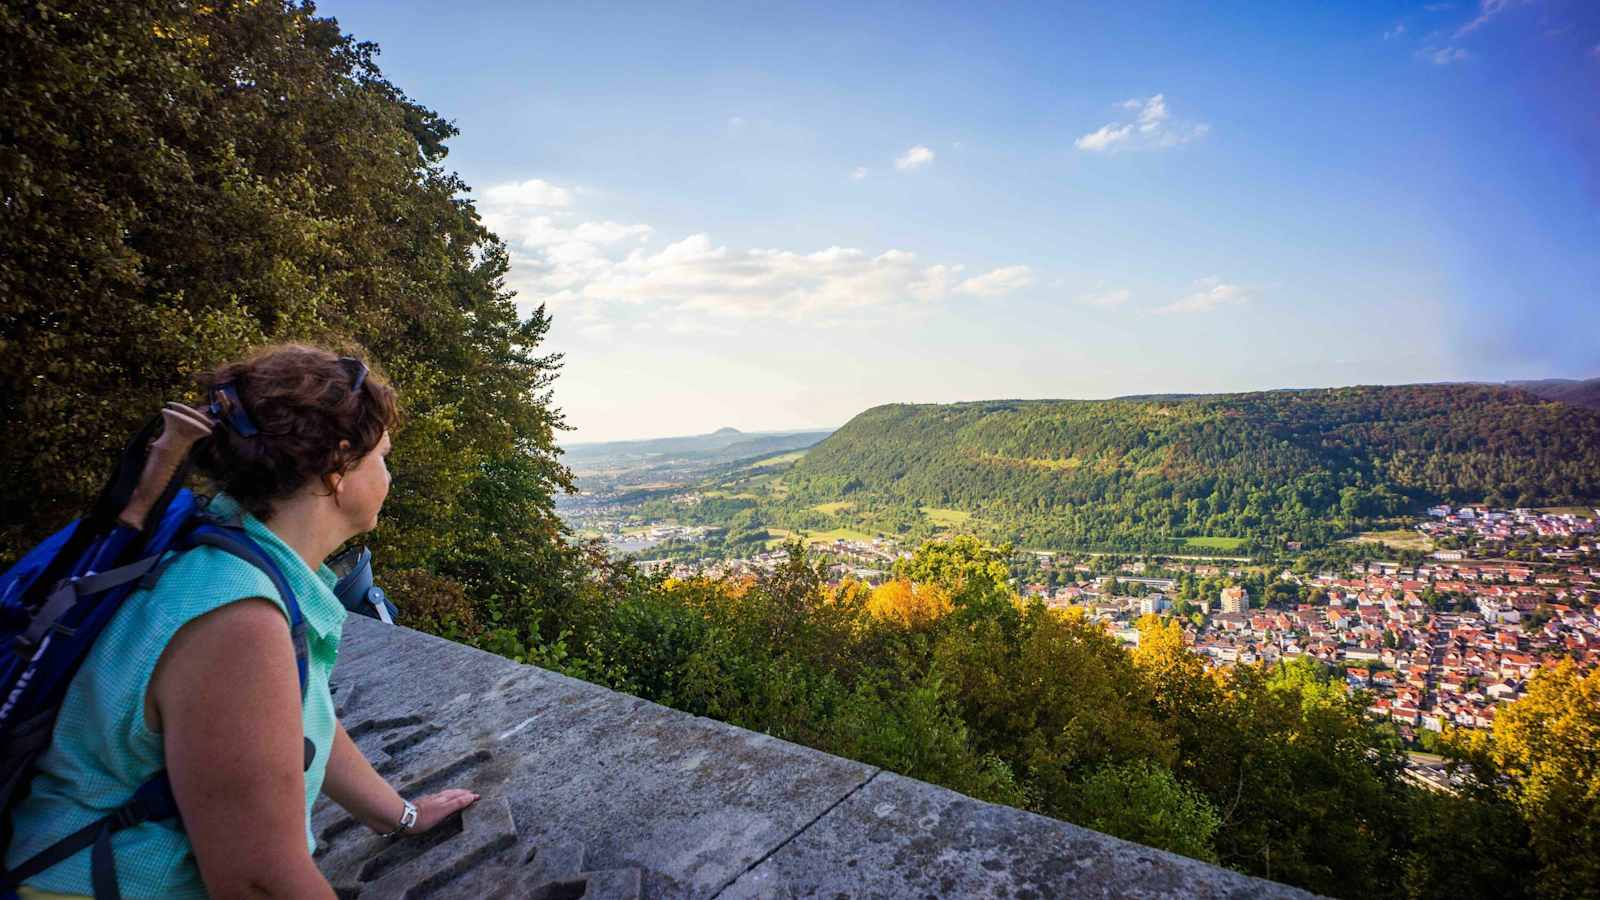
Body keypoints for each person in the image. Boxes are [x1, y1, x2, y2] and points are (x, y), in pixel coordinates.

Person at [5, 344, 479, 899]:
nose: (389, 475)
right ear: (337, 472)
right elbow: (259, 883)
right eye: (382, 457)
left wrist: (398, 815)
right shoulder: (237, 619)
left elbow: (300, 720)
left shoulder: (231, 551)